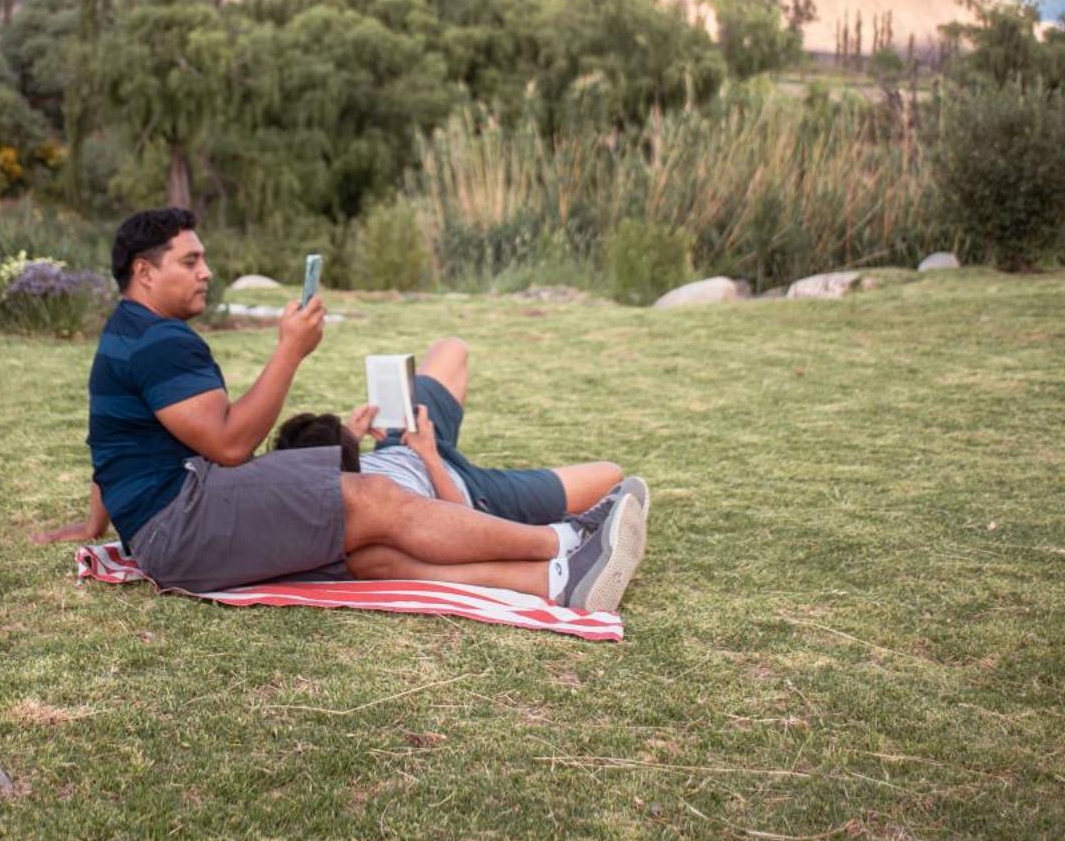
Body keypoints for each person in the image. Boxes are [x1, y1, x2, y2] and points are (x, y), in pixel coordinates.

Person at [33, 207, 647, 613]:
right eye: (190, 261)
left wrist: (97, 526)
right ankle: (565, 539)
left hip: (171, 522)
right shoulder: (158, 342)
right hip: (182, 523)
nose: (207, 272)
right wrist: (290, 350)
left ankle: (559, 582)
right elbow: (227, 445)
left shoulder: (130, 332)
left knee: (366, 550)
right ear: (144, 272)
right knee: (370, 498)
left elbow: (113, 440)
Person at [272, 336, 634, 524]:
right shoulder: (385, 507)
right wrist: (430, 456)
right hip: (465, 490)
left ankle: (422, 437)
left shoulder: (318, 481)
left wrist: (353, 433)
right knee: (610, 476)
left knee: (451, 349)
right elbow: (462, 524)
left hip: (402, 446)